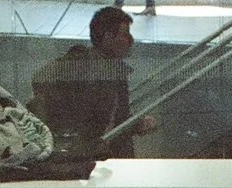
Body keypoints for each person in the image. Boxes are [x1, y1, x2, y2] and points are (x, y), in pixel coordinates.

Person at [30, 6, 158, 159]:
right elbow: (99, 118)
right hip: (92, 158)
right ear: (108, 37)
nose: (129, 40)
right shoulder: (81, 64)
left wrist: (136, 125)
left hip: (104, 156)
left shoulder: (113, 69)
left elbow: (114, 116)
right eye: (124, 34)